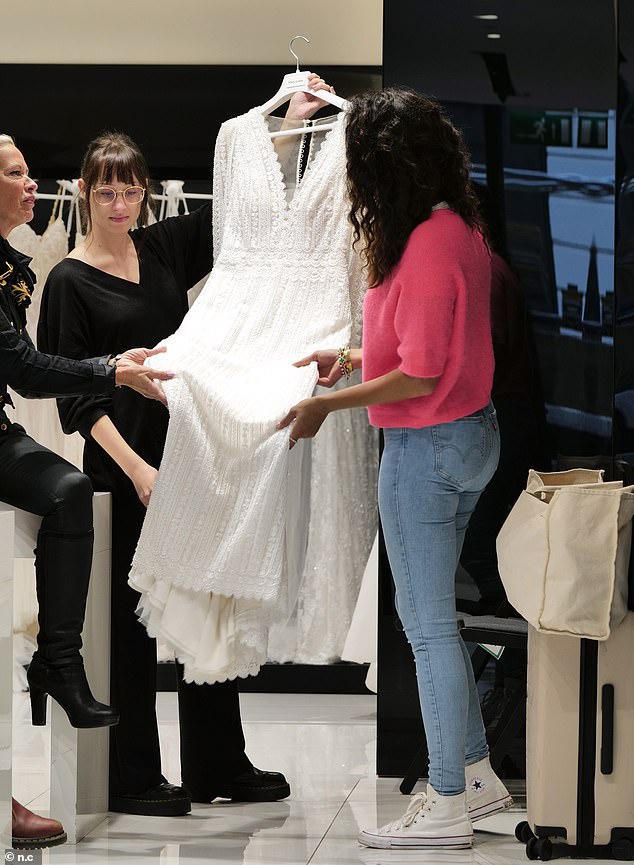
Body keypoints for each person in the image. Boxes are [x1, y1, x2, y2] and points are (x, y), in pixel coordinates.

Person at [38, 76, 335, 816]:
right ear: (84, 192)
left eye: (130, 191)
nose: (119, 205)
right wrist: (135, 470)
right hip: (123, 464)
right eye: (106, 192)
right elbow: (74, 398)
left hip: (191, 453)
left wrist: (286, 127)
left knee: (210, 593)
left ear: (145, 193)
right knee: (133, 623)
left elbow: (244, 211)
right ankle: (133, 774)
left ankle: (218, 763)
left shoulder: (165, 246)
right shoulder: (68, 281)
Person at [277, 87, 513, 851]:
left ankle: (446, 798)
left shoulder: (425, 243)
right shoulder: (455, 229)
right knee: (435, 621)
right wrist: (346, 356)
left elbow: (419, 372)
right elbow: (427, 346)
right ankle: (474, 778)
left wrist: (328, 404)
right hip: (470, 436)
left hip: (428, 445)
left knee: (427, 627)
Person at [0, 133, 173, 848]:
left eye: (26, 168)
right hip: (82, 426)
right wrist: (113, 371)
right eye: (14, 172)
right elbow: (32, 369)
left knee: (69, 491)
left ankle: (59, 659)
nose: (28, 180)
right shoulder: (65, 276)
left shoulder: (14, 267)